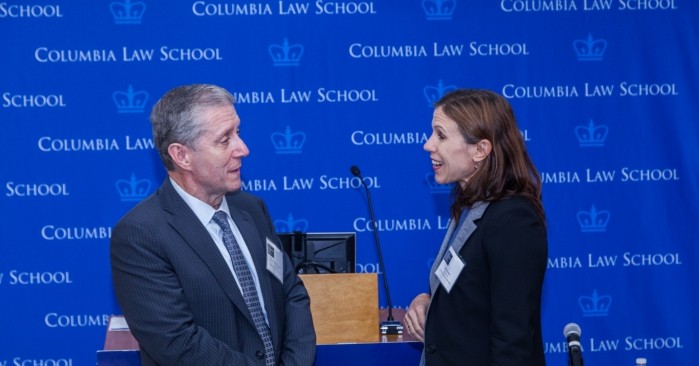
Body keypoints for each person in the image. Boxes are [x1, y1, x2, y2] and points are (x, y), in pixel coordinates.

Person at [110, 84, 316, 366]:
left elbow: (290, 292)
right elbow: (178, 343)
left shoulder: (252, 209)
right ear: (182, 156)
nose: (243, 149)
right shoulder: (140, 234)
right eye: (224, 140)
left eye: (238, 133)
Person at [404, 89, 548, 365]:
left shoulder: (514, 220)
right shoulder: (470, 209)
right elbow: (469, 298)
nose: (428, 145)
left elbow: (512, 340)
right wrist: (427, 301)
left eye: (441, 135)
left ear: (481, 150)